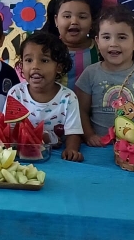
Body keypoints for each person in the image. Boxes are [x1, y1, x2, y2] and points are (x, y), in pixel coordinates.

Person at [75, 6, 134, 146]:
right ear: (98, 41)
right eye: (106, 37)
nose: (113, 43)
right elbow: (81, 110)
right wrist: (89, 135)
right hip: (101, 147)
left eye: (122, 37)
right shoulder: (90, 73)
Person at [7, 32, 83, 162]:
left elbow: (73, 132)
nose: (35, 66)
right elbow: (10, 130)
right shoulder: (16, 93)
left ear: (58, 67)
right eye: (28, 60)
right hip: (21, 155)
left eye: (44, 60)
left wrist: (71, 149)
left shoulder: (69, 97)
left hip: (55, 157)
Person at [44, 0, 99, 89]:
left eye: (82, 17)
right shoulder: (48, 51)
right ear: (56, 20)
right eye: (67, 16)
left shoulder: (100, 49)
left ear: (92, 22)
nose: (74, 21)